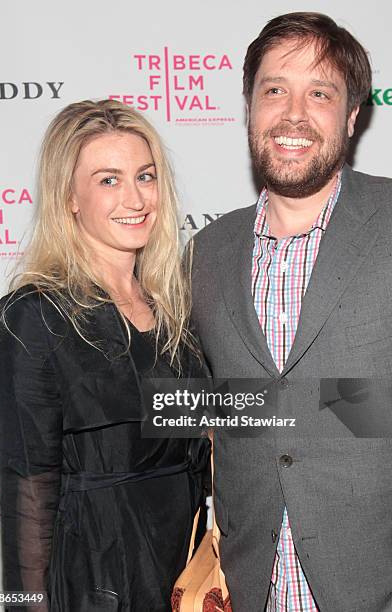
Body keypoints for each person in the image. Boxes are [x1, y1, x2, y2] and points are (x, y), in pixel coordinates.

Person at [190, 11, 392, 612]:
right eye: (274, 90)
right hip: (252, 582)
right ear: (250, 107)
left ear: (352, 117)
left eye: (320, 93)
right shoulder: (205, 253)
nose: (293, 114)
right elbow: (215, 409)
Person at [0, 99, 209, 612]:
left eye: (145, 176)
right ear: (70, 197)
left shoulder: (175, 308)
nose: (135, 198)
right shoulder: (36, 317)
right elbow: (28, 504)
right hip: (97, 585)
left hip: (189, 578)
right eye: (108, 180)